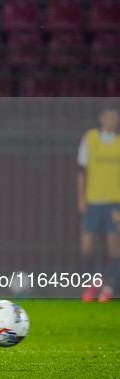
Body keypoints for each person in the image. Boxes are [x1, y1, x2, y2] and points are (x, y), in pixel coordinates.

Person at [78, 107, 120, 302]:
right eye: (109, 117)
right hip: (93, 201)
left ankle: (110, 286)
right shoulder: (91, 139)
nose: (112, 121)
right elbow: (81, 170)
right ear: (101, 118)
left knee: (114, 247)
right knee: (86, 247)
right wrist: (81, 198)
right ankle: (94, 281)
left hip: (115, 203)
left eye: (116, 117)